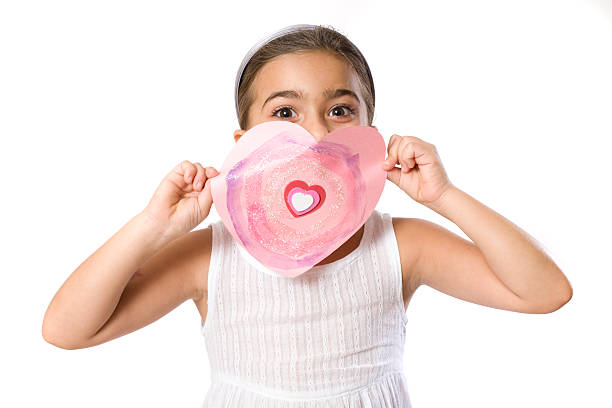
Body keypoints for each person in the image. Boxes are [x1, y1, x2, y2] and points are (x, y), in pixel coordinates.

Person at [42, 24, 573, 407]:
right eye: (284, 112)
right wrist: (152, 229)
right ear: (244, 142)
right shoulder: (210, 255)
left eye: (340, 110)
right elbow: (68, 330)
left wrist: (445, 196)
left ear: (370, 131)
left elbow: (545, 292)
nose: (317, 134)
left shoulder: (401, 246)